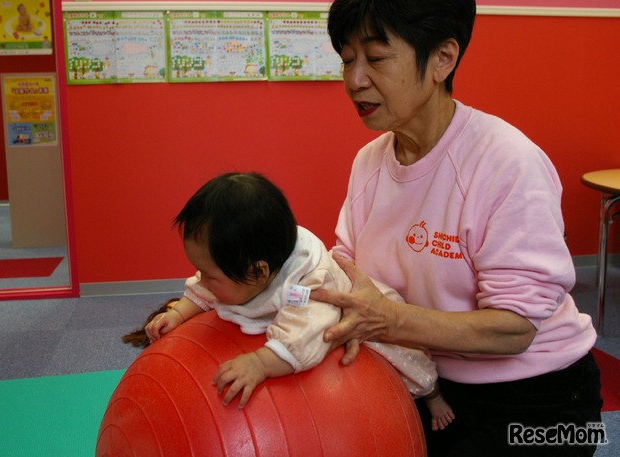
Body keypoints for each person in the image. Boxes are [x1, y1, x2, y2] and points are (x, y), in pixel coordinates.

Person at [308, 1, 603, 456]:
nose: (354, 80)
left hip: (541, 399)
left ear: (443, 58)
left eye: (377, 58)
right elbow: (347, 276)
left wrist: (392, 320)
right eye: (347, 60)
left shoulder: (506, 162)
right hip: (426, 383)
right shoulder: (369, 163)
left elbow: (515, 329)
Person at [133, 172, 454, 429]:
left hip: (357, 318)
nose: (201, 280)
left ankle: (434, 397)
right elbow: (205, 289)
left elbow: (308, 334)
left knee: (410, 364)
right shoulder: (251, 260)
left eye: (209, 274)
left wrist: (260, 363)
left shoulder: (306, 287)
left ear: (258, 273)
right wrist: (179, 312)